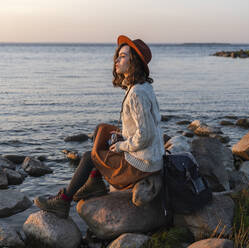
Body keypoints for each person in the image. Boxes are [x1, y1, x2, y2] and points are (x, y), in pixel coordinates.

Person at [34, 35, 165, 218]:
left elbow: (145, 136)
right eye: (118, 56)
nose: (117, 60)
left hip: (143, 164)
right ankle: (95, 182)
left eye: (123, 56)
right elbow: (145, 129)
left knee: (89, 157)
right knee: (102, 130)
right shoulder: (141, 87)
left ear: (133, 62)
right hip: (148, 157)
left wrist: (121, 145)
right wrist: (123, 137)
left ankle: (63, 201)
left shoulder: (137, 93)